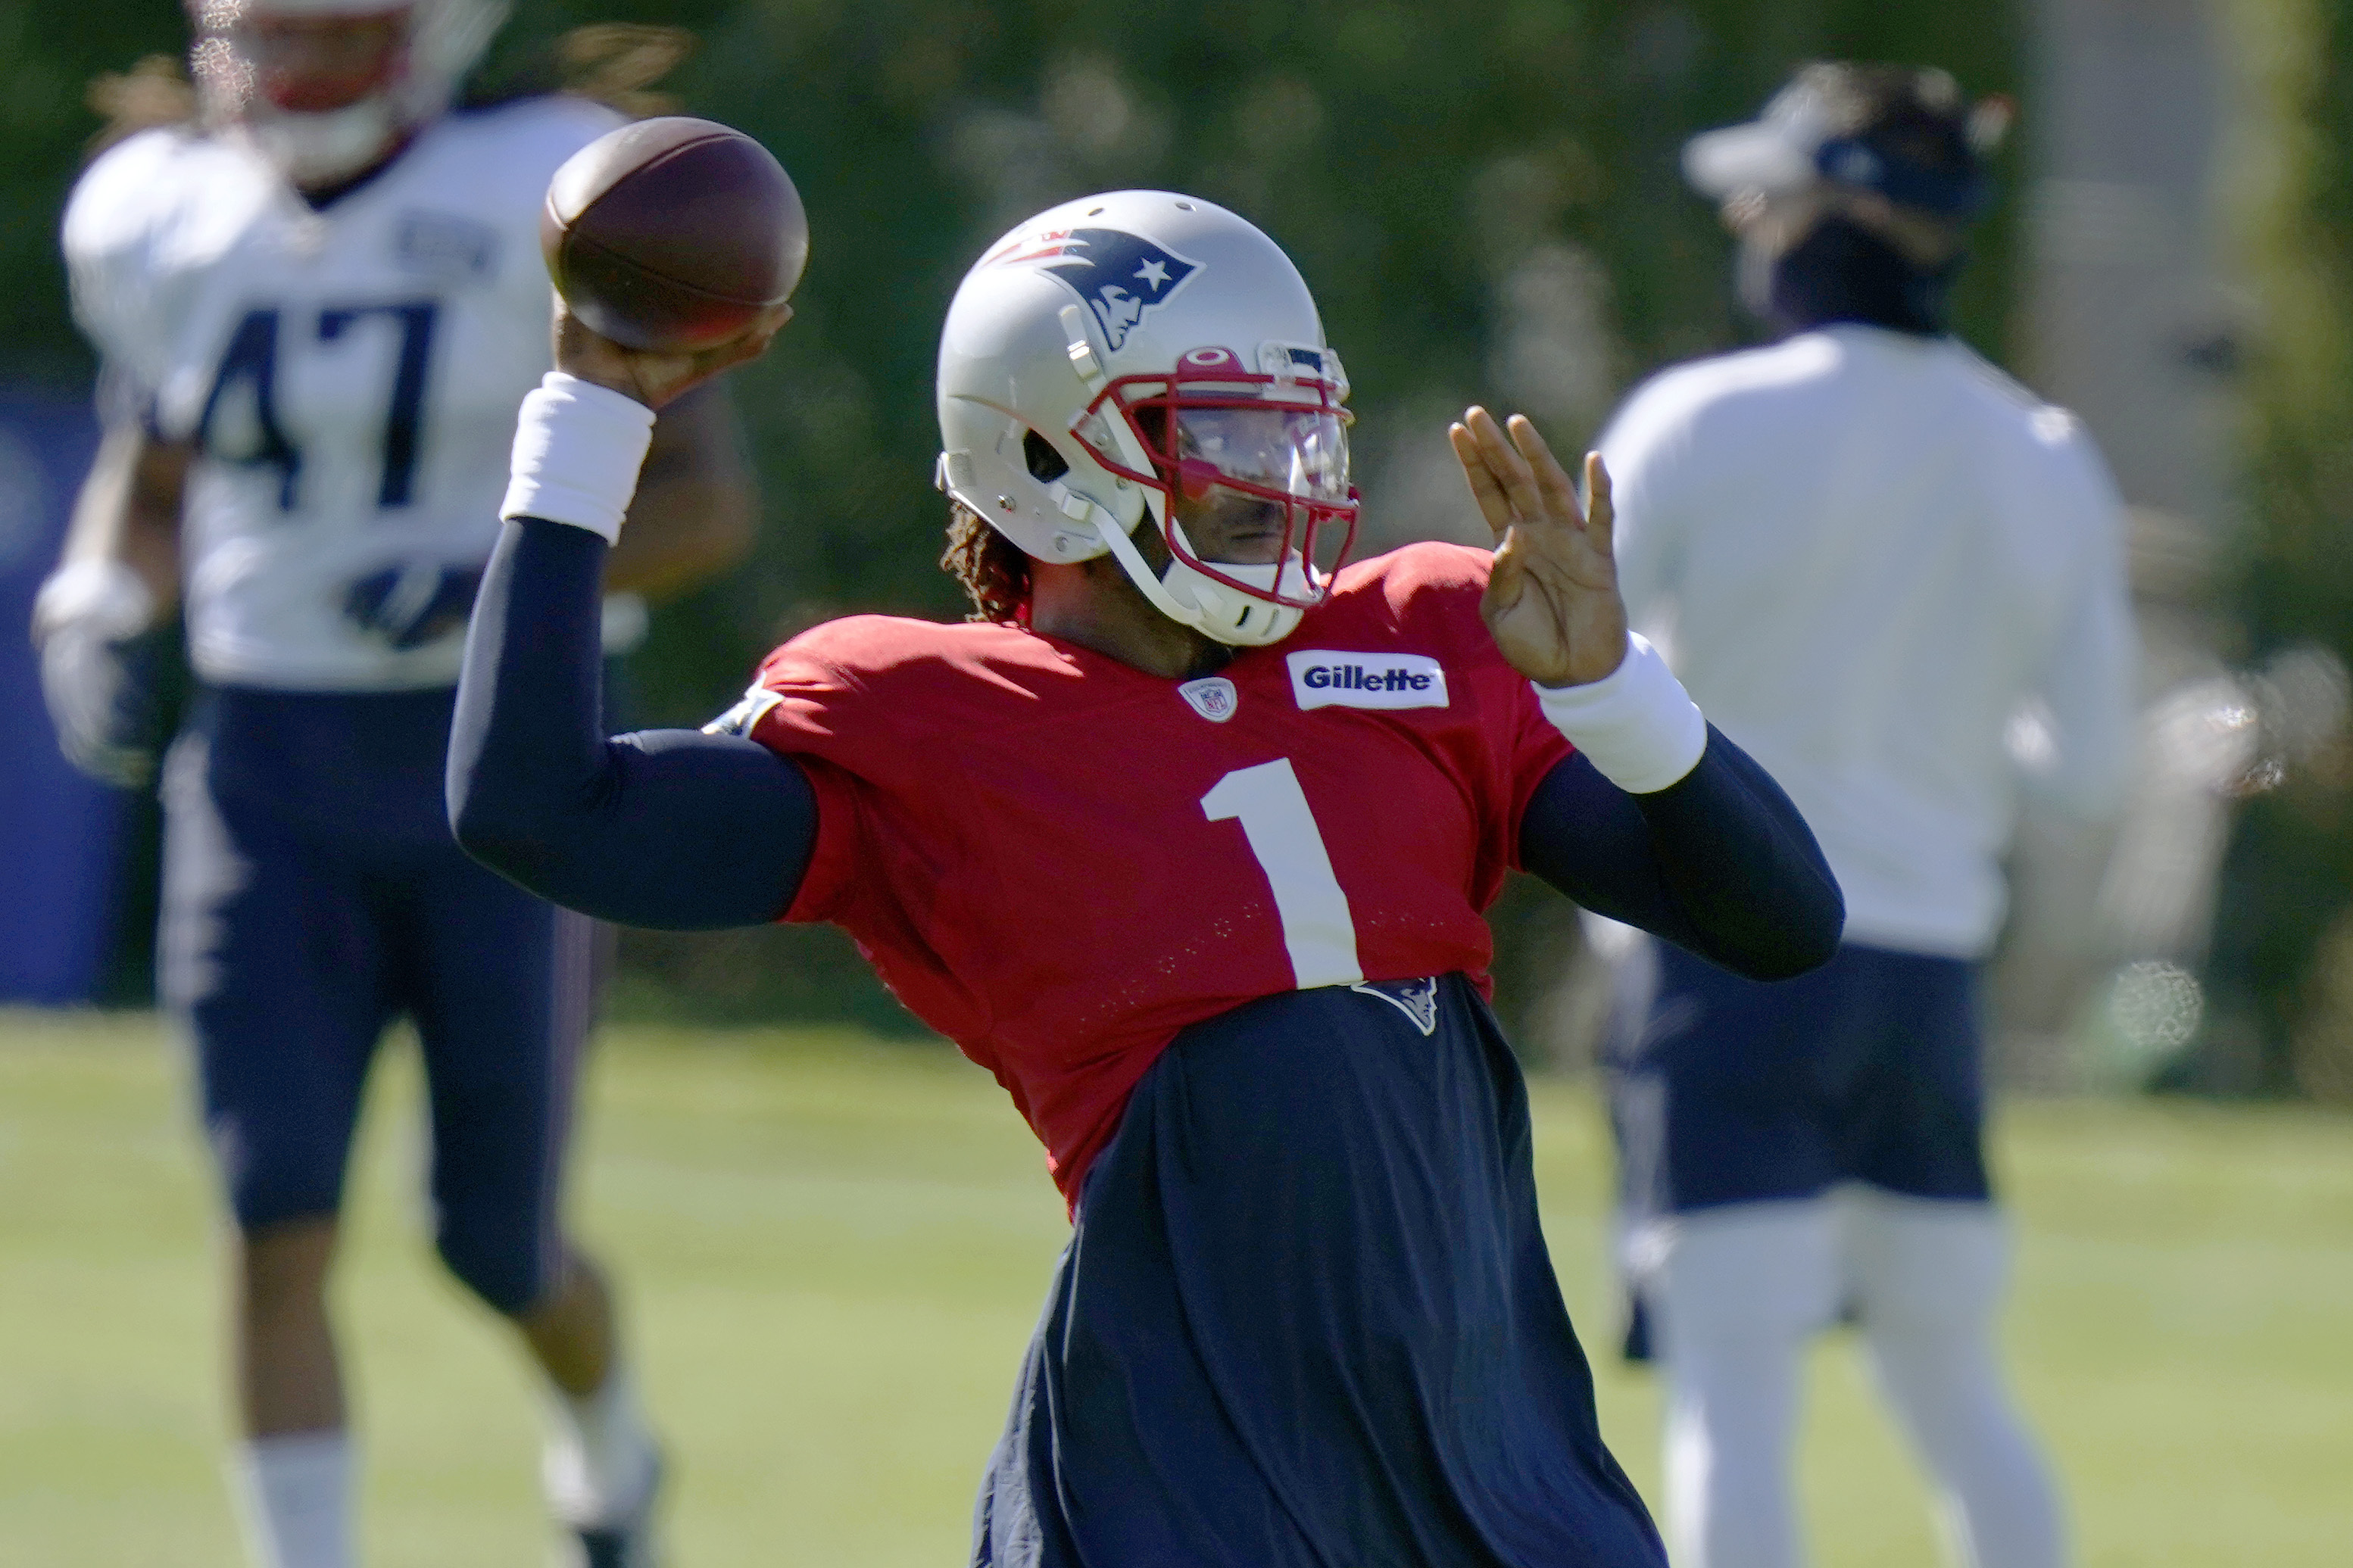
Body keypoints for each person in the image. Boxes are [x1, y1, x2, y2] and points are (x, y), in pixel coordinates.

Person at [448, 189, 1844, 1566]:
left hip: (1501, 1473)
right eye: (1228, 437)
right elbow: (538, 810)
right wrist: (593, 415)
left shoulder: (1428, 638)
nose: (1280, 483)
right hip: (1181, 1485)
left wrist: (1615, 690)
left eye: (1299, 435)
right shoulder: (930, 727)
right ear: (1045, 460)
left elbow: (1784, 922)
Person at [29, 4, 751, 1564]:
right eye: (268, 27)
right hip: (266, 765)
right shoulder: (167, 211)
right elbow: (151, 476)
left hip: (500, 763)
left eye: (332, 28)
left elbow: (703, 502)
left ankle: (610, 1461)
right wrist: (95, 592)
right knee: (271, 1212)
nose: (291, 65)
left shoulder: (556, 189)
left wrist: (492, 576)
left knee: (494, 1242)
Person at [1592, 62, 2139, 1568]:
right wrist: (1936, 753)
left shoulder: (1698, 419)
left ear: (1827, 208)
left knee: (1733, 1401)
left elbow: (1563, 678)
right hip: (1923, 993)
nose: (1750, 221)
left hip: (1723, 972)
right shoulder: (2042, 456)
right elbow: (2089, 772)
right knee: (1955, 1389)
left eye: (1769, 193)